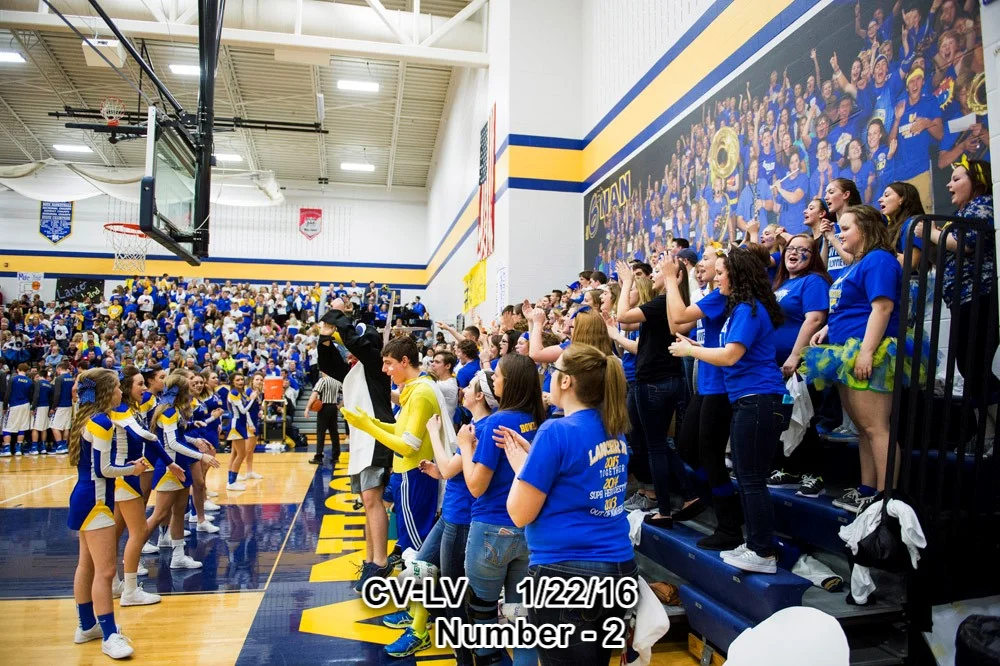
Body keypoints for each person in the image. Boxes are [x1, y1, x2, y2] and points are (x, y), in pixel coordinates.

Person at [500, 343, 637, 665]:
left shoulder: (556, 430)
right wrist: (533, 462)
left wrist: (521, 468)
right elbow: (576, 480)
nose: (548, 376)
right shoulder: (614, 429)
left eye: (553, 370)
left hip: (565, 572)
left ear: (566, 381)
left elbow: (519, 514)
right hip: (618, 568)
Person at [669, 247, 792, 574]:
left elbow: (730, 356)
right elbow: (726, 351)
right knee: (748, 477)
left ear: (736, 276)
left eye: (722, 273)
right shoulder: (742, 308)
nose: (718, 278)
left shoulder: (748, 309)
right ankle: (756, 545)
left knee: (751, 479)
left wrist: (690, 352)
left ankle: (762, 551)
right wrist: (698, 347)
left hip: (758, 398)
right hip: (750, 399)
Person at [342, 335, 446, 659]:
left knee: (417, 557)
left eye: (388, 363)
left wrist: (368, 427)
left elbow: (408, 445)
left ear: (404, 361)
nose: (385, 370)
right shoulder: (415, 390)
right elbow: (401, 433)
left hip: (416, 477)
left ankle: (420, 628)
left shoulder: (422, 392)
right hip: (408, 477)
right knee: (414, 553)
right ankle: (415, 612)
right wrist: (370, 422)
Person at [801, 205, 902, 514]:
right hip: (846, 350)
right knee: (863, 427)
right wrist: (828, 329)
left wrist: (867, 352)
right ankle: (867, 489)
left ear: (867, 229)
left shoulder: (879, 259)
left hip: (869, 350)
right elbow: (851, 306)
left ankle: (886, 499)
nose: (840, 234)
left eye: (846, 228)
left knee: (876, 427)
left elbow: (882, 308)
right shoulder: (857, 264)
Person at [456, 353, 544, 666]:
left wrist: (465, 445)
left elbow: (476, 486)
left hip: (492, 529)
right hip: (529, 529)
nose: (493, 379)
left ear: (511, 382)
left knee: (483, 614)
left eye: (497, 375)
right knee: (522, 620)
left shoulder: (496, 422)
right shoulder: (540, 418)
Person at [67, 368, 145, 659]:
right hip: (96, 501)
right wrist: (133, 469)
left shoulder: (86, 418)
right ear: (106, 391)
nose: (121, 391)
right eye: (116, 387)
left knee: (86, 565)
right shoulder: (102, 422)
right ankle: (110, 635)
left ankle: (87, 625)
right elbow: (104, 469)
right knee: (106, 571)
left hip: (84, 497)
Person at [318, 302, 395, 592]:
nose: (348, 349)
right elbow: (327, 364)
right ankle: (370, 559)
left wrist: (335, 316)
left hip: (377, 437)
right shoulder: (356, 369)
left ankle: (380, 562)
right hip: (361, 441)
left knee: (373, 500)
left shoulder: (375, 363)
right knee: (367, 503)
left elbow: (356, 342)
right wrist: (325, 337)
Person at [616, 259, 698, 528]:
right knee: (659, 444)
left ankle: (664, 510)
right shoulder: (668, 303)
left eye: (660, 271)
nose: (653, 276)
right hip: (670, 379)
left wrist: (627, 282)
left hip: (652, 382)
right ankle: (689, 495)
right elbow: (628, 326)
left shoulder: (663, 302)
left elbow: (622, 317)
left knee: (655, 447)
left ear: (676, 276)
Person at [110, 367, 183, 605]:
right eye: (139, 384)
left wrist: (169, 462)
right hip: (126, 476)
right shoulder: (121, 410)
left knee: (116, 532)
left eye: (144, 383)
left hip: (126, 476)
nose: (144, 388)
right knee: (139, 531)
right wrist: (166, 455)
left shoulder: (130, 409)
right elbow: (145, 436)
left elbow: (148, 440)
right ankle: (130, 590)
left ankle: (114, 583)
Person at [767, 235, 832, 498]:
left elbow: (815, 319)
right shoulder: (781, 284)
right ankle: (791, 469)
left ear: (813, 256)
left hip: (801, 362)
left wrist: (795, 355)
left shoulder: (813, 281)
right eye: (790, 248)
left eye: (803, 249)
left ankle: (814, 474)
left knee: (804, 416)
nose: (794, 253)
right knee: (785, 417)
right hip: (776, 364)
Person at [225, 374, 253, 491]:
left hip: (240, 424)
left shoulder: (240, 393)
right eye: (237, 380)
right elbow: (243, 410)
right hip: (236, 425)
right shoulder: (234, 393)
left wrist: (250, 423)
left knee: (236, 454)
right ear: (232, 382)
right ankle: (231, 482)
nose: (240, 381)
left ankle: (231, 480)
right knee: (241, 454)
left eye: (242, 379)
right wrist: (252, 399)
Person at [308, 370, 342, 465]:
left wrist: (307, 407)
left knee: (321, 433)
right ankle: (336, 457)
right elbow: (346, 394)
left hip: (324, 408)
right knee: (334, 433)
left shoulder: (323, 380)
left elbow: (314, 394)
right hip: (333, 407)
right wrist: (339, 406)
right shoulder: (337, 381)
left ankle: (318, 457)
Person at [1, 363, 32, 456]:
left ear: (17, 369)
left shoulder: (13, 379)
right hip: (26, 404)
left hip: (14, 404)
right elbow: (30, 395)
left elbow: (8, 393)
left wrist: (5, 407)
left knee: (7, 426)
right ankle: (18, 448)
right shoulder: (30, 381)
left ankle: (7, 449)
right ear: (27, 371)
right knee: (22, 426)